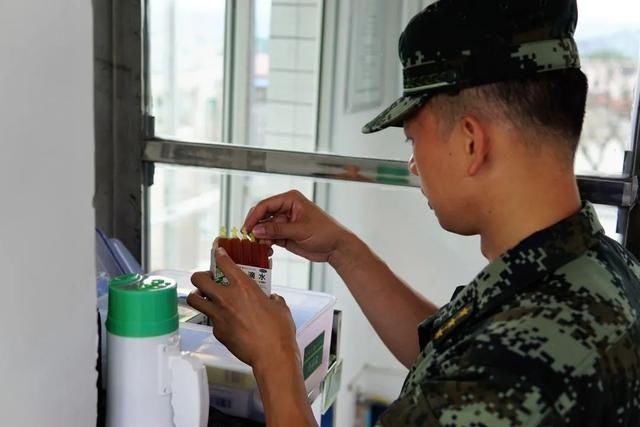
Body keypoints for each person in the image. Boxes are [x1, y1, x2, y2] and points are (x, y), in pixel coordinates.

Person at [187, 0, 640, 425]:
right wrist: (343, 249)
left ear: (470, 143)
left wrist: (275, 358)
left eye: (412, 139)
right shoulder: (601, 270)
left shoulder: (506, 383)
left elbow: (475, 374)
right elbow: (444, 352)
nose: (413, 163)